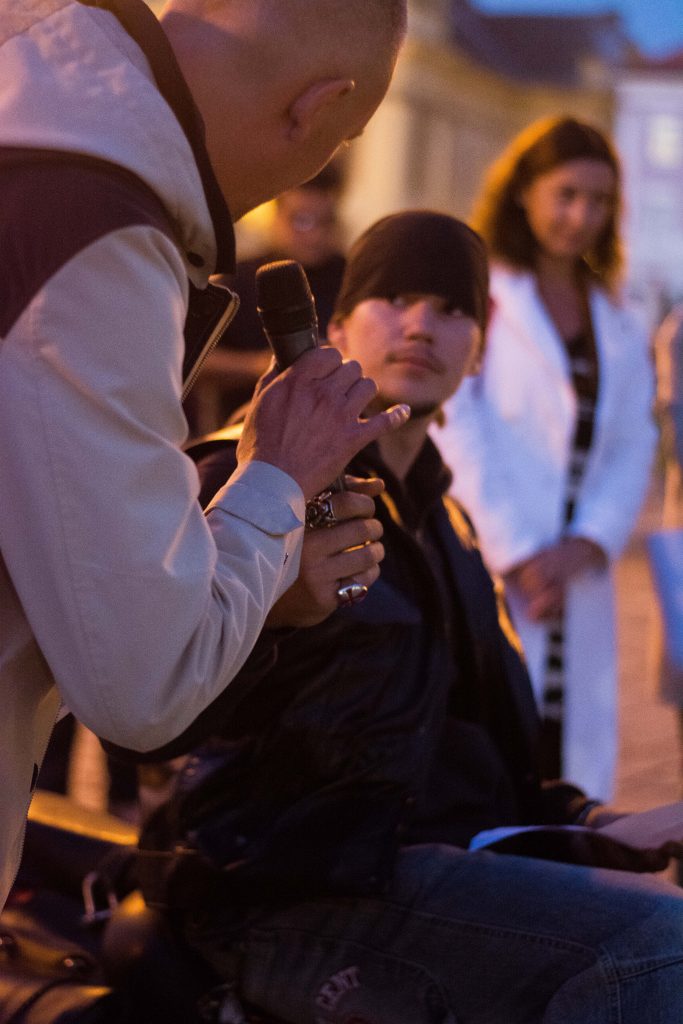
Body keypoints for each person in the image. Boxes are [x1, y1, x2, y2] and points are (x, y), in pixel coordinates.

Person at [131, 212, 683, 1024]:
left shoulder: (449, 530)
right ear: (338, 327)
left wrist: (595, 824)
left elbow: (482, 765)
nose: (421, 324)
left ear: (479, 351)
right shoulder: (247, 480)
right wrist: (272, 614)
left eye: (451, 309)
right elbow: (141, 716)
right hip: (282, 892)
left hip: (430, 874)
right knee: (654, 945)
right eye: (393, 298)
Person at [0, 0, 409, 909]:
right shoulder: (92, 228)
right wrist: (275, 481)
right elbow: (143, 682)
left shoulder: (28, 92)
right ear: (316, 106)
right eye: (342, 142)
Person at [433, 116, 657, 801]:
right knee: (494, 738)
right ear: (524, 192)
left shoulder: (616, 313)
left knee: (569, 752)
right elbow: (454, 421)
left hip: (577, 569)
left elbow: (635, 438)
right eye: (566, 195)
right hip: (500, 559)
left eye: (599, 201)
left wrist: (586, 543)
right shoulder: (482, 297)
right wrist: (522, 552)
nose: (580, 216)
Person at [189, 163, 347, 430]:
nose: (314, 236)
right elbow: (193, 358)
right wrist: (260, 365)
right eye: (302, 221)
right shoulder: (238, 279)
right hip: (240, 432)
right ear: (277, 217)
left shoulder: (348, 277)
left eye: (325, 222)